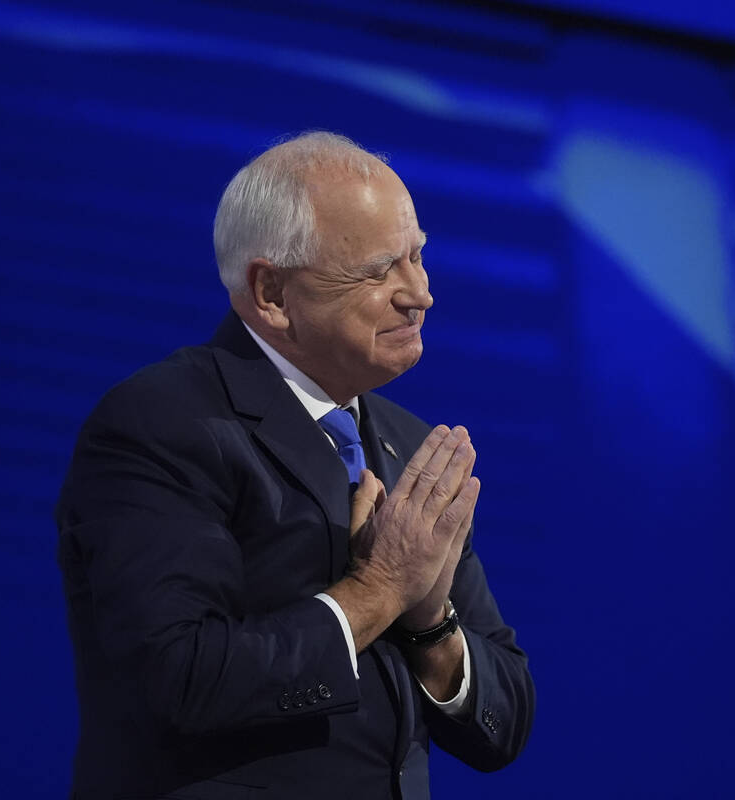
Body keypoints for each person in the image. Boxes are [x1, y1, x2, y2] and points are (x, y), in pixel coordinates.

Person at [55, 131, 535, 799]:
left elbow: (503, 724)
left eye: (418, 256)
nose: (419, 292)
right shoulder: (165, 421)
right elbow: (181, 678)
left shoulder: (407, 446)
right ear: (272, 293)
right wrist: (379, 591)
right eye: (379, 270)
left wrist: (430, 622)